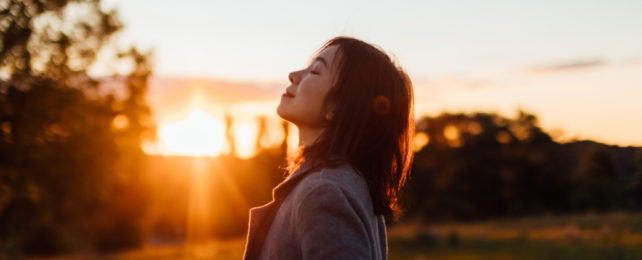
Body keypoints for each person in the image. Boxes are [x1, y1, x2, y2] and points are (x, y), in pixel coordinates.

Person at [243, 36, 415, 260]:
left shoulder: (323, 192)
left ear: (338, 106)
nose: (294, 75)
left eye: (315, 71)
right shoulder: (348, 183)